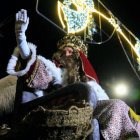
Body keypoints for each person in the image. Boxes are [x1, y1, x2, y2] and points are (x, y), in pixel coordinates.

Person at [6, 9, 140, 139]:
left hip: (89, 106)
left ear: (78, 57)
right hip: (63, 106)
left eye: (70, 51)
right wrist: (21, 37)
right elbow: (32, 63)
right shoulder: (54, 70)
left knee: (120, 107)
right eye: (63, 51)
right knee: (114, 105)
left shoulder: (90, 83)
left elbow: (97, 100)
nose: (65, 53)